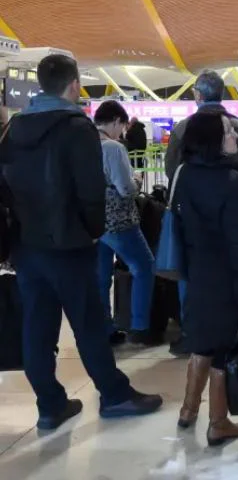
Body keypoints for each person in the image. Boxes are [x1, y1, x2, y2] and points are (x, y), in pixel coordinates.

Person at [1, 54, 162, 430]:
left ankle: (49, 403)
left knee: (37, 325)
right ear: (73, 85)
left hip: (27, 246)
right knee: (89, 323)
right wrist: (90, 231)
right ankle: (114, 394)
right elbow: (92, 194)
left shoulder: (14, 129)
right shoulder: (77, 129)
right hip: (69, 244)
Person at [171, 111, 238, 446]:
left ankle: (187, 409)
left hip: (197, 273)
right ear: (214, 139)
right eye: (228, 131)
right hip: (226, 279)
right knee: (226, 348)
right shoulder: (234, 184)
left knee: (202, 339)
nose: (235, 137)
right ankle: (218, 421)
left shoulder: (184, 175)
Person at [165, 70, 238, 354]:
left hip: (191, 214)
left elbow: (170, 170)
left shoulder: (183, 127)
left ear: (198, 95)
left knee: (189, 272)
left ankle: (191, 330)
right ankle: (228, 326)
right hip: (229, 210)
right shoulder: (237, 127)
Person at [93, 101, 158, 346]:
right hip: (119, 220)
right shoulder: (113, 148)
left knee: (101, 275)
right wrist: (138, 180)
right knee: (144, 266)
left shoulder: (84, 143)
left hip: (94, 221)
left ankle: (105, 328)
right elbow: (125, 189)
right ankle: (140, 327)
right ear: (116, 122)